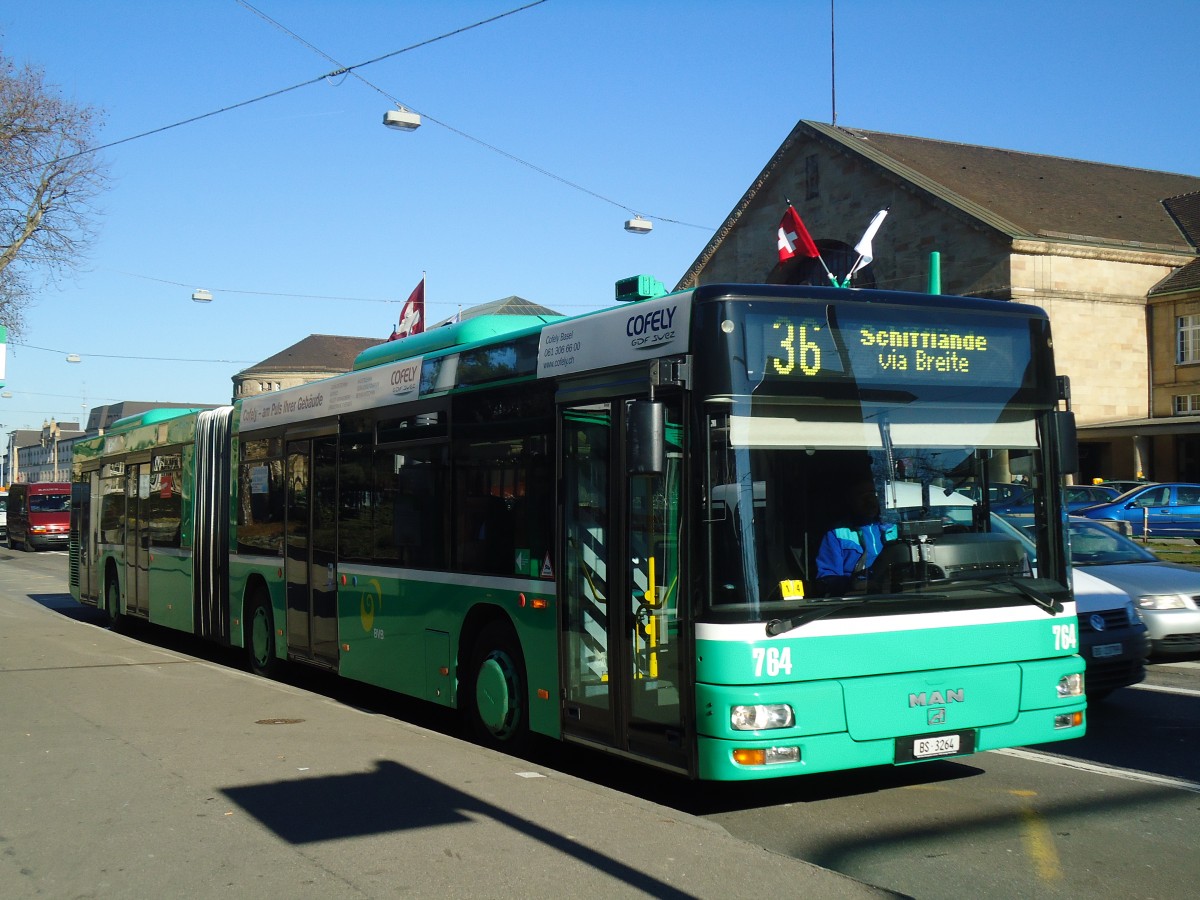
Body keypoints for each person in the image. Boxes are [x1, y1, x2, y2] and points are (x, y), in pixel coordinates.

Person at [814, 475, 898, 595]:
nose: (869, 500)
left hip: (898, 598)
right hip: (857, 604)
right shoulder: (836, 533)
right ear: (850, 500)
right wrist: (854, 584)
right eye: (862, 495)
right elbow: (827, 579)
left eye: (872, 494)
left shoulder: (894, 529)